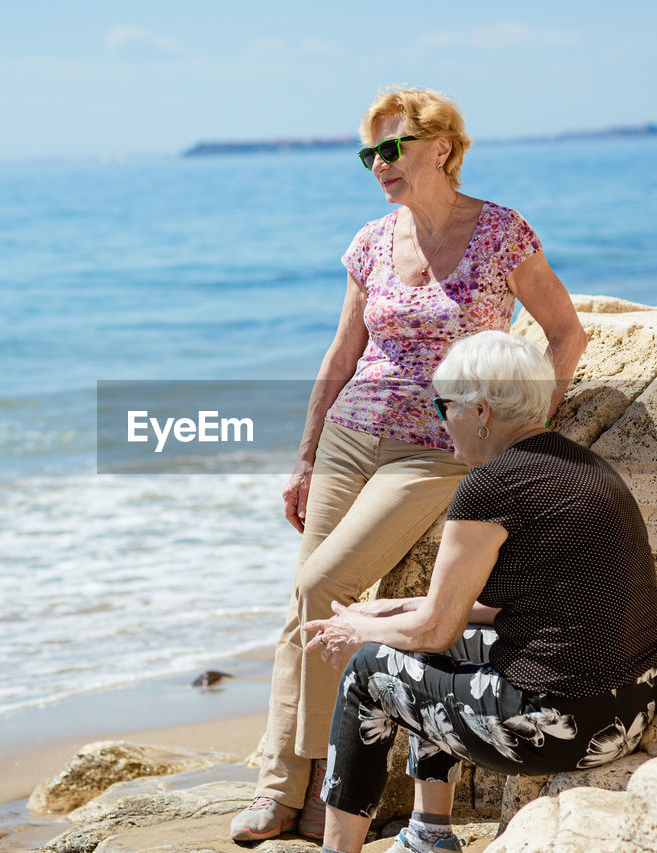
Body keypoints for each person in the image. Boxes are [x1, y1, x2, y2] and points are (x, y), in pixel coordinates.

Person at [230, 87, 587, 842]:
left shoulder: (499, 232)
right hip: (350, 432)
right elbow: (342, 352)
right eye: (369, 154)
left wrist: (522, 429)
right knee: (303, 602)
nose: (377, 166)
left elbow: (564, 332)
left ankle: (333, 789)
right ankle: (278, 786)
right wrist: (303, 456)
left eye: (389, 150)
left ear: (443, 149)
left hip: (435, 447)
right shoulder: (370, 240)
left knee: (323, 583)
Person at [301, 330, 657, 853]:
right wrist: (396, 608)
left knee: (368, 671)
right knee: (427, 649)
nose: (439, 418)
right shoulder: (577, 463)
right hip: (635, 702)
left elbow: (435, 629)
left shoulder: (492, 485)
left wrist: (358, 628)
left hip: (561, 723)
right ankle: (429, 835)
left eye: (442, 405)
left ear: (480, 411)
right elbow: (498, 604)